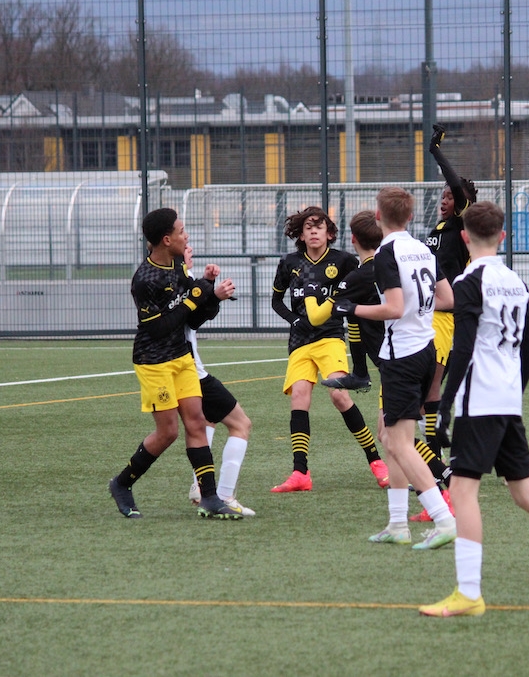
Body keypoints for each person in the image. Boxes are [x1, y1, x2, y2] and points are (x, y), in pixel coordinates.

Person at [419, 201, 529, 617]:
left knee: (463, 492)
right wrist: (513, 390)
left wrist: (443, 405)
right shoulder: (516, 282)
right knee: (526, 493)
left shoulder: (468, 281)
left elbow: (463, 347)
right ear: (503, 237)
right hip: (504, 402)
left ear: (464, 237)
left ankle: (468, 594)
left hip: (478, 403)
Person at [331, 187, 456, 550]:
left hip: (402, 356)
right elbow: (447, 298)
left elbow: (395, 308)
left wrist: (352, 309)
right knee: (389, 436)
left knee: (399, 444)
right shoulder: (424, 249)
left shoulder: (387, 252)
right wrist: (420, 310)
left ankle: (444, 518)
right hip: (425, 348)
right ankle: (398, 524)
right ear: (411, 216)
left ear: (379, 216)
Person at [108, 207, 244, 520]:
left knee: (196, 423)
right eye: (182, 231)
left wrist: (209, 293)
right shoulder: (145, 280)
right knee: (168, 432)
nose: (187, 236)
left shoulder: (179, 266)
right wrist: (195, 297)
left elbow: (191, 319)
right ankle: (122, 483)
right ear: (167, 240)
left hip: (182, 357)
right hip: (154, 361)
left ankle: (210, 497)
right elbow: (158, 328)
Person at [269, 206, 388, 492]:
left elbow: (360, 293)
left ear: (329, 234)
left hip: (331, 336)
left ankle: (376, 461)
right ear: (301, 235)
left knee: (339, 395)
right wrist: (295, 320)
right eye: (308, 227)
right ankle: (300, 472)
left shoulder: (344, 261)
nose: (313, 231)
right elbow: (276, 300)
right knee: (299, 397)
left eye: (319, 227)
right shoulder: (289, 263)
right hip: (300, 341)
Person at [181, 245, 255, 516]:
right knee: (241, 424)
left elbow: (192, 314)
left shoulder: (177, 277)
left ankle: (199, 487)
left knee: (206, 422)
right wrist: (213, 294)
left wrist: (208, 284)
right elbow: (192, 318)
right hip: (190, 370)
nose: (189, 247)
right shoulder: (176, 278)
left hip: (185, 368)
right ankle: (223, 495)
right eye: (183, 240)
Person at [421, 123, 476, 457]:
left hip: (449, 318)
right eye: (442, 196)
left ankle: (437, 457)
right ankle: (437, 450)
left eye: (450, 197)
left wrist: (436, 151)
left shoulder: (461, 225)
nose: (445, 200)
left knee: (433, 386)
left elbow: (457, 185)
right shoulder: (438, 230)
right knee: (430, 387)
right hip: (431, 314)